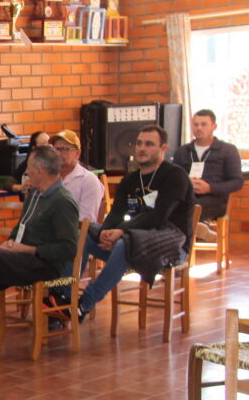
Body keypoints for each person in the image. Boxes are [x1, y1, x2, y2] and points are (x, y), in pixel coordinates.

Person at [0, 146, 79, 373]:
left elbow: (69, 248)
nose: (26, 172)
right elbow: (22, 227)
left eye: (28, 168)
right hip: (22, 259)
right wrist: (10, 244)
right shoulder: (35, 194)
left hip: (44, 266)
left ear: (39, 170)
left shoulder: (62, 201)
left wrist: (28, 249)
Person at [77, 125, 195, 320]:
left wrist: (121, 232)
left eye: (149, 144)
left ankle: (84, 303)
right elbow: (116, 214)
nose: (141, 148)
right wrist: (105, 233)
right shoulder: (131, 179)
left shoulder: (175, 176)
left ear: (163, 148)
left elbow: (159, 217)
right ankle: (63, 299)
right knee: (82, 236)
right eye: (139, 143)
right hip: (133, 239)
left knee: (125, 243)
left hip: (172, 244)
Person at [172, 109, 244, 241]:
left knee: (188, 208)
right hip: (188, 197)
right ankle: (199, 229)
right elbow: (174, 179)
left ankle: (192, 232)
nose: (198, 128)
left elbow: (237, 182)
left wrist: (209, 188)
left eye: (203, 124)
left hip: (216, 199)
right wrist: (187, 184)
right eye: (195, 124)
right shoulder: (182, 151)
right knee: (167, 204)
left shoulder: (228, 150)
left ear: (214, 127)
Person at [49, 130, 104, 223]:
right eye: (56, 149)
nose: (58, 154)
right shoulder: (49, 177)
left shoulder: (89, 180)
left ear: (77, 153)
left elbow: (86, 221)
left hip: (74, 234)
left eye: (64, 149)